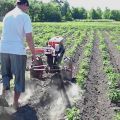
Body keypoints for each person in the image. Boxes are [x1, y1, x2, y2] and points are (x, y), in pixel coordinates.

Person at [0, 0, 35, 109]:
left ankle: (2, 95)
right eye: (27, 7)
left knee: (5, 75)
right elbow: (29, 37)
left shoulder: (7, 15)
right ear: (25, 5)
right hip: (17, 51)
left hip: (3, 49)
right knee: (19, 78)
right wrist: (33, 53)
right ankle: (15, 104)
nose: (27, 10)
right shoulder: (24, 17)